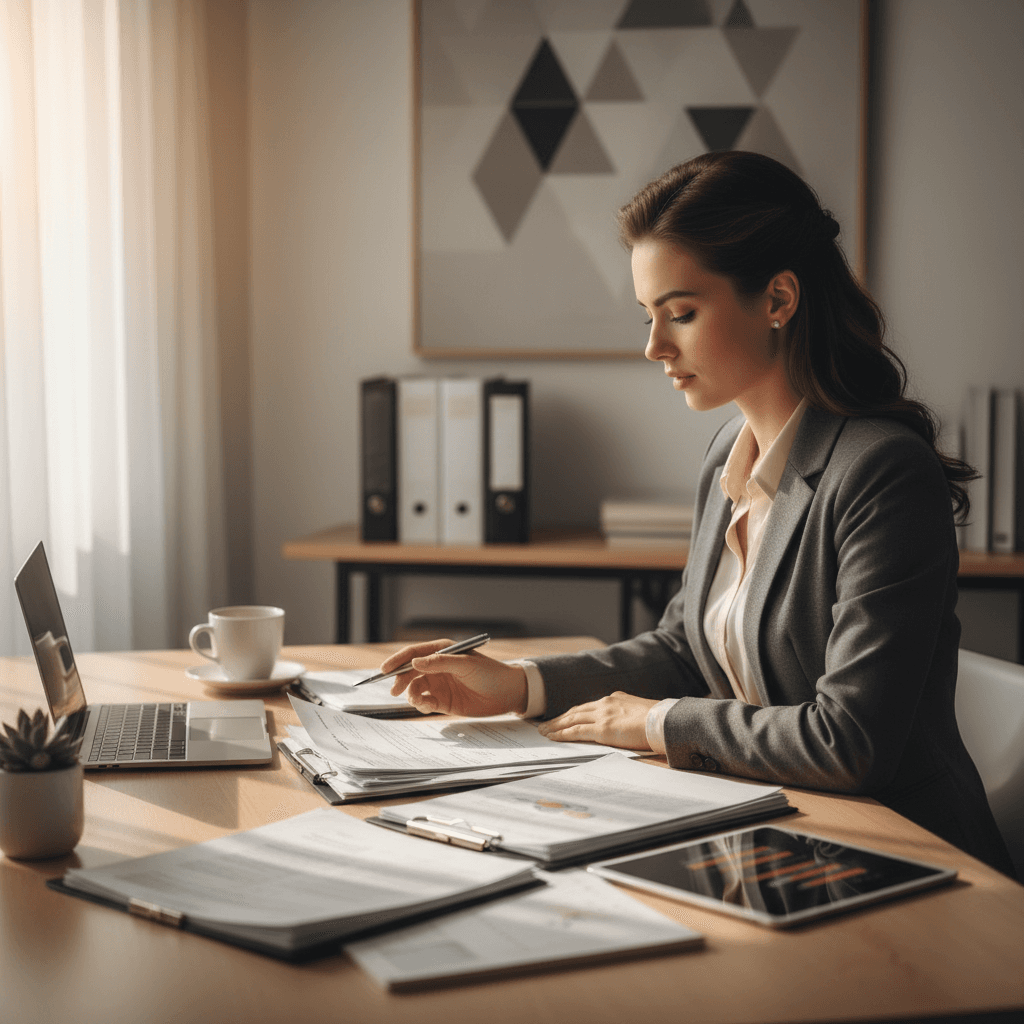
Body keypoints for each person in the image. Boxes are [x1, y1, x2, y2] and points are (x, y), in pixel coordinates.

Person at [378, 151, 1015, 877]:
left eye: (680, 313)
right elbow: (685, 650)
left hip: (909, 858)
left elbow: (850, 741)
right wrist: (522, 684)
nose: (654, 347)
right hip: (779, 829)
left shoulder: (881, 472)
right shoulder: (727, 456)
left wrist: (653, 722)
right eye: (650, 316)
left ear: (778, 299)